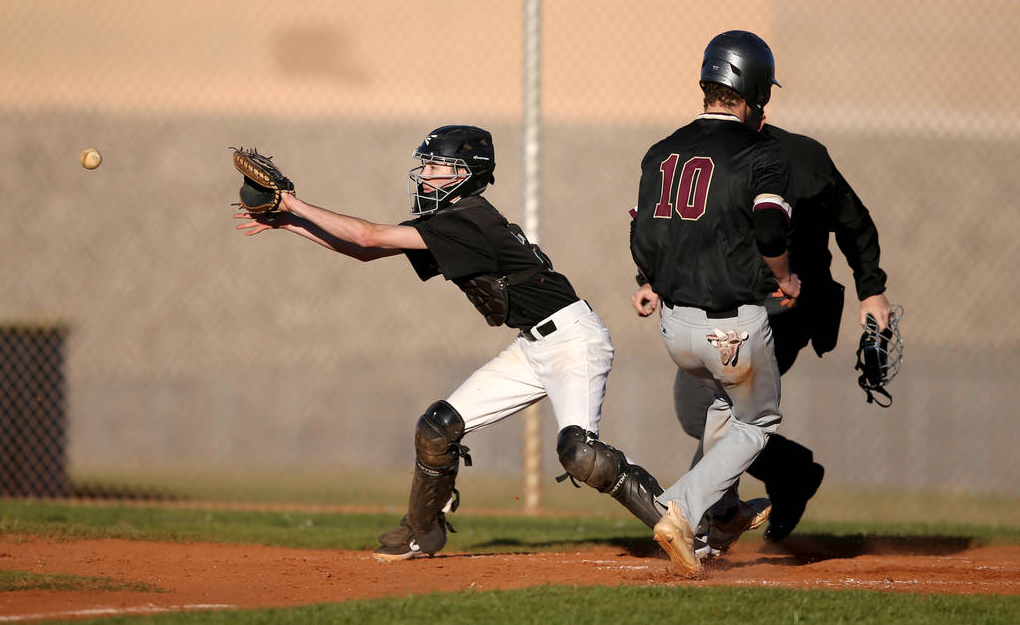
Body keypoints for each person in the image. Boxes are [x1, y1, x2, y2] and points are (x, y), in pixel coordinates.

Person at [233, 125, 666, 562]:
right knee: (437, 429)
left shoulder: (471, 220)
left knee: (580, 453)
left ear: (466, 173)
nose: (424, 174)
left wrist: (293, 202)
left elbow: (366, 235)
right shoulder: (451, 223)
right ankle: (422, 532)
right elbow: (362, 252)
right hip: (533, 347)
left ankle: (683, 524)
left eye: (436, 165)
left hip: (574, 341)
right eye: (426, 164)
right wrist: (288, 221)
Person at [632, 105, 892, 552]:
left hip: (788, 305)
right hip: (729, 302)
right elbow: (692, 231)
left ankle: (701, 525)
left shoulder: (802, 156)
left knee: (733, 412)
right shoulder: (718, 155)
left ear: (755, 104)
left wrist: (872, 289)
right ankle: (784, 476)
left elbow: (853, 221)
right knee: (696, 408)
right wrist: (656, 280)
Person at [629, 30, 798, 577]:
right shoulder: (761, 152)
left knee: (725, 409)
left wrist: (649, 280)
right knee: (759, 419)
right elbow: (771, 230)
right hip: (732, 328)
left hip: (674, 328)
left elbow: (644, 234)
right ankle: (679, 508)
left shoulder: (661, 151)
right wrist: (786, 277)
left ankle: (718, 517)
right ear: (753, 90)